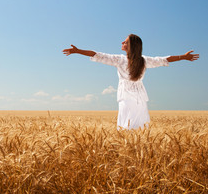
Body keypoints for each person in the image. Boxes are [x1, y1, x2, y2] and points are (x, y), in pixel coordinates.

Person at [62, 34, 199, 130]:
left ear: (132, 46)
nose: (122, 43)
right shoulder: (136, 60)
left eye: (125, 42)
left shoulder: (132, 60)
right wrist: (183, 57)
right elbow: (164, 59)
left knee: (129, 125)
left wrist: (78, 51)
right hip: (137, 98)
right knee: (136, 124)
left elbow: (163, 59)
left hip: (130, 97)